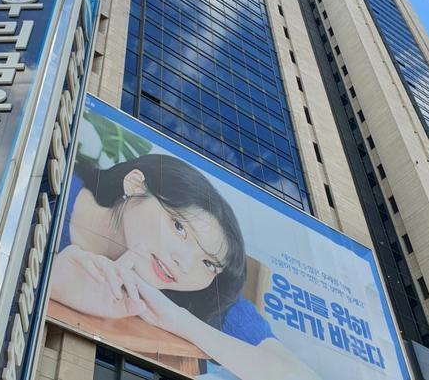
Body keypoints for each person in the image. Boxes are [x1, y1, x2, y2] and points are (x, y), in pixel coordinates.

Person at [50, 154, 321, 380]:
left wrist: (177, 319)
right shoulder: (53, 182)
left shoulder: (204, 301)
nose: (184, 264)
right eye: (179, 227)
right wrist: (53, 282)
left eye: (208, 263)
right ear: (135, 184)